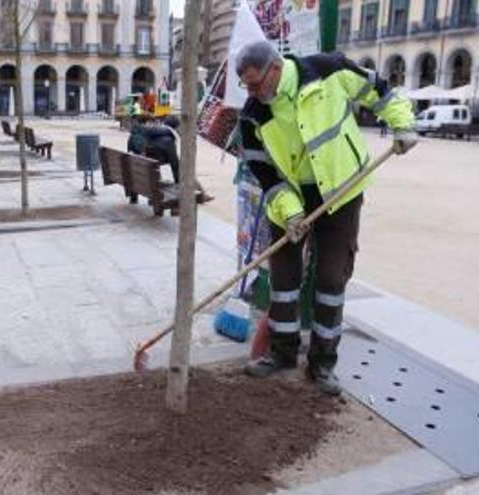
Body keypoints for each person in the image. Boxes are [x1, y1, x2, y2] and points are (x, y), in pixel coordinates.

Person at [235, 41, 418, 395]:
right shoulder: (252, 114)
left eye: (256, 83)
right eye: (247, 86)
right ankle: (282, 353)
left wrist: (402, 124)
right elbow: (264, 171)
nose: (253, 92)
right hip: (291, 196)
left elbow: (379, 91)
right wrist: (289, 212)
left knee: (332, 279)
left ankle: (322, 363)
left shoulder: (327, 70)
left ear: (275, 68)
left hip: (340, 190)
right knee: (284, 279)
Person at [128, 116, 214, 202]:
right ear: (176, 127)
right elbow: (175, 164)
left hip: (149, 171)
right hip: (157, 173)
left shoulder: (153, 134)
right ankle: (202, 195)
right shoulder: (168, 139)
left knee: (183, 170)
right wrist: (178, 184)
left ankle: (202, 195)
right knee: (185, 172)